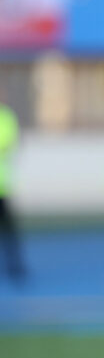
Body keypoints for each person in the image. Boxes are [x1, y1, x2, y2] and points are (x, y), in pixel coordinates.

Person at [0, 97, 25, 282]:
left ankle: (15, 265)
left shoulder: (7, 118)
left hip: (3, 185)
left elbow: (8, 143)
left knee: (8, 229)